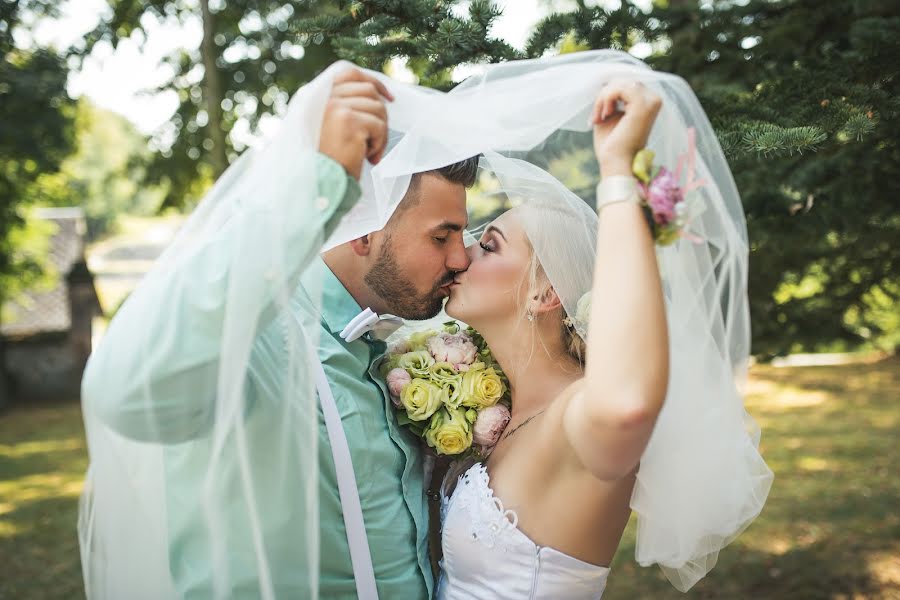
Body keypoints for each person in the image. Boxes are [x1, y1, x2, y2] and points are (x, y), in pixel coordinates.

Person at [80, 66, 476, 599]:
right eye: (442, 236)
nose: (461, 256)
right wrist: (319, 182)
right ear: (365, 230)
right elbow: (128, 393)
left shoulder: (392, 349)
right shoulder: (250, 338)